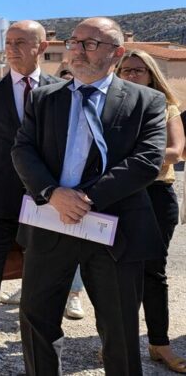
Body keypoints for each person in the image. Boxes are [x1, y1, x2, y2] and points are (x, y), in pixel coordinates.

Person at [12, 17, 167, 375]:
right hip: (51, 225)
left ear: (117, 52)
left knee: (120, 330)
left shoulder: (147, 101)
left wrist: (85, 200)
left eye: (90, 44)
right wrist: (53, 194)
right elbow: (23, 151)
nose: (77, 50)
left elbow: (147, 161)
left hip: (114, 231)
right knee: (37, 322)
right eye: (75, 41)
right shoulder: (43, 98)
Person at [0, 20, 59, 375]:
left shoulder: (61, 91)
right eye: (8, 42)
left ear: (41, 45)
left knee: (42, 289)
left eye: (21, 42)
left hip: (47, 206)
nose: (12, 48)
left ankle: (39, 364)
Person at [116, 49, 186, 373]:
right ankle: (120, 344)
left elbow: (175, 150)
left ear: (151, 74)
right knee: (119, 274)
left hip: (156, 196)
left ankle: (160, 343)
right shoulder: (110, 109)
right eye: (126, 70)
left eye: (138, 70)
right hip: (119, 196)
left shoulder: (166, 106)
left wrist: (134, 161)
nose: (131, 76)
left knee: (153, 273)